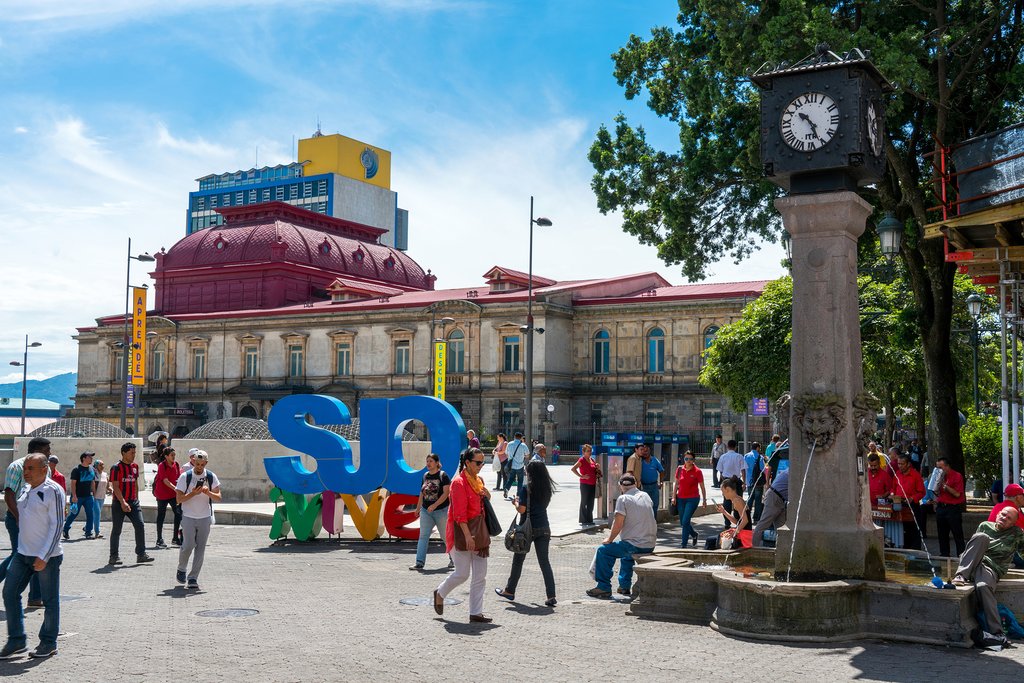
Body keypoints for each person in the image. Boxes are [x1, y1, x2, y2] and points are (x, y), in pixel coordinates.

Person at [0, 453, 64, 659]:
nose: (25, 472)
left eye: (30, 469)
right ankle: (17, 640)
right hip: (23, 554)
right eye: (25, 468)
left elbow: (57, 526)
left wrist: (44, 556)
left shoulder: (53, 490)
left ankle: (48, 642)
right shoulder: (26, 488)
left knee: (49, 600)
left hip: (47, 557)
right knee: (9, 593)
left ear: (44, 470)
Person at [433, 448, 492, 623]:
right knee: (462, 573)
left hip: (479, 532)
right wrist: (467, 536)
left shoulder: (479, 481)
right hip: (461, 532)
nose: (481, 466)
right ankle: (440, 593)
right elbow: (459, 514)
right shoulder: (458, 483)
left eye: (483, 462)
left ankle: (476, 612)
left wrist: (487, 495)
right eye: (478, 462)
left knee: (480, 576)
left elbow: (481, 507)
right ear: (467, 463)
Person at [951, 507, 1024, 649]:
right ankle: (961, 575)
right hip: (974, 562)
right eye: (1003, 514)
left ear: (1013, 523)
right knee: (981, 537)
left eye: (1009, 518)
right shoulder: (985, 526)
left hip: (991, 568)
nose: (1004, 518)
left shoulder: (1016, 533)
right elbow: (973, 547)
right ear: (997, 514)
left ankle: (997, 633)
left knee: (983, 586)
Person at [494, 460, 558, 607]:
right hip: (544, 526)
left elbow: (522, 509)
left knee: (518, 560)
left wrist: (515, 502)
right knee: (544, 562)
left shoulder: (526, 488)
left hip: (526, 530)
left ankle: (509, 590)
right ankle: (551, 595)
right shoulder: (547, 488)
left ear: (530, 473)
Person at [586, 474, 657, 598]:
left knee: (603, 551)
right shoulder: (645, 496)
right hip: (650, 544)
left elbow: (618, 523)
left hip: (635, 545)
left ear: (620, 486)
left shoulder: (623, 499)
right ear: (636, 484)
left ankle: (603, 587)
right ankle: (624, 586)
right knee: (626, 553)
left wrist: (609, 539)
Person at [1, 438, 46, 607]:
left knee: (36, 555)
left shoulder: (44, 468)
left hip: (36, 520)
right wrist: (20, 519)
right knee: (19, 555)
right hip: (17, 519)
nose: (49, 453)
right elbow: (9, 495)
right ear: (36, 451)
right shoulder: (17, 467)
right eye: (46, 450)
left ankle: (35, 597)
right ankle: (24, 594)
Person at [175, 449, 221, 590]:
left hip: (204, 517)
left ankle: (193, 578)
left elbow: (218, 497)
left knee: (200, 549)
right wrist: (193, 493)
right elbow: (178, 499)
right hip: (188, 516)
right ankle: (181, 568)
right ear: (193, 461)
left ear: (206, 463)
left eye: (202, 464)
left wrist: (208, 492)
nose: (199, 467)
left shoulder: (211, 477)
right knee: (188, 545)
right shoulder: (185, 476)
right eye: (197, 464)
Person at [109, 442, 154, 566]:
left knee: (140, 525)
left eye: (135, 453)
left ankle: (141, 554)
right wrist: (123, 502)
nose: (134, 455)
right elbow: (115, 487)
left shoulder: (135, 466)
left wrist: (137, 500)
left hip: (133, 502)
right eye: (131, 453)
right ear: (124, 453)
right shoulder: (116, 468)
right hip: (119, 502)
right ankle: (113, 556)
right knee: (117, 529)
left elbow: (135, 484)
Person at [411, 453, 450, 570]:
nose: (428, 463)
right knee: (423, 536)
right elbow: (422, 493)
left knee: (445, 536)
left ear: (437, 463)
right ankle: (419, 562)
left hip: (441, 511)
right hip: (426, 511)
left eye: (431, 461)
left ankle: (454, 559)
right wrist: (418, 508)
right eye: (427, 461)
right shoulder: (425, 476)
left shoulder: (443, 475)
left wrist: (434, 505)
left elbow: (446, 493)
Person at [891, 453, 926, 550]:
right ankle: (903, 550)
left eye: (902, 464)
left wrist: (912, 498)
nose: (899, 466)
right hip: (899, 506)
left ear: (908, 464)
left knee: (914, 531)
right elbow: (893, 489)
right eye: (898, 464)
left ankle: (915, 552)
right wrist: (892, 494)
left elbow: (922, 492)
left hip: (912, 506)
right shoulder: (897, 474)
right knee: (902, 531)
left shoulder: (916, 475)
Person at [934, 456, 966, 557]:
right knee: (942, 534)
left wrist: (946, 487)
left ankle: (961, 556)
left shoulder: (957, 476)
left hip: (953, 508)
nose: (938, 470)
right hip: (941, 507)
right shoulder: (938, 476)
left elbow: (957, 494)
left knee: (957, 533)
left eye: (940, 467)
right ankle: (944, 554)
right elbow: (936, 492)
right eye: (937, 467)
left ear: (947, 466)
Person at [674, 451, 706, 548]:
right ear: (684, 459)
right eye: (686, 459)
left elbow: (702, 487)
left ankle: (683, 545)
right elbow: (676, 484)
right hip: (680, 499)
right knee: (683, 522)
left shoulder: (697, 471)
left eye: (690, 459)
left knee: (685, 521)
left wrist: (704, 500)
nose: (688, 461)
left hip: (693, 499)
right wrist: (673, 497)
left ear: (693, 460)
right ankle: (694, 534)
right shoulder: (680, 469)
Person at [63, 452, 97, 540]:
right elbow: (73, 484)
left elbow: (92, 482)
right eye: (89, 457)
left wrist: (94, 493)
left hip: (88, 496)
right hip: (77, 497)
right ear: (84, 458)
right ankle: (65, 529)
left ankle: (88, 532)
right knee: (74, 514)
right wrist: (74, 496)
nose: (91, 458)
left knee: (90, 514)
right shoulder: (76, 470)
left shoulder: (92, 469)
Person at [752, 468, 789, 547]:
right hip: (774, 497)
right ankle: (753, 546)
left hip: (779, 498)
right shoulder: (793, 472)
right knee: (763, 524)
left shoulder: (790, 471)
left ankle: (782, 549)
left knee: (781, 527)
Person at [154, 447, 183, 548]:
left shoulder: (177, 465)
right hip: (162, 494)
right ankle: (159, 539)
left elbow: (179, 478)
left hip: (173, 494)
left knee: (178, 514)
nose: (174, 457)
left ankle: (175, 538)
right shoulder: (162, 465)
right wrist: (176, 489)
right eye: (172, 455)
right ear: (166, 456)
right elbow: (165, 480)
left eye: (174, 455)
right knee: (161, 515)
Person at [715, 440, 745, 528]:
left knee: (726, 502)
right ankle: (738, 521)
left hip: (726, 481)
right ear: (736, 447)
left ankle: (727, 522)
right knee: (738, 501)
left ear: (727, 447)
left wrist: (723, 481)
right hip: (736, 481)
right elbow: (743, 470)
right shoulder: (739, 456)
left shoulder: (723, 457)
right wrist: (744, 482)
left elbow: (720, 471)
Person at [571, 444, 601, 526]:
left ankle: (589, 519)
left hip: (593, 483)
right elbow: (573, 469)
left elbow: (594, 471)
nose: (590, 452)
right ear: (583, 452)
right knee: (584, 501)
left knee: (591, 502)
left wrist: (597, 467)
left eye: (590, 451)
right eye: (588, 451)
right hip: (585, 484)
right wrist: (581, 476)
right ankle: (583, 520)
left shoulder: (592, 460)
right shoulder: (582, 460)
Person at [717, 476, 751, 548]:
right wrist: (724, 511)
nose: (722, 494)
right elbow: (738, 522)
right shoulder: (737, 499)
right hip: (744, 533)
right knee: (716, 539)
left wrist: (734, 533)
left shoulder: (737, 501)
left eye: (723, 491)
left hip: (744, 536)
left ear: (728, 489)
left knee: (712, 541)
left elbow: (745, 521)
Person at [503, 432, 529, 500]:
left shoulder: (509, 444)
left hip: (511, 465)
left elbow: (506, 453)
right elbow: (527, 455)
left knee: (511, 479)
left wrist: (510, 458)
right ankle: (518, 495)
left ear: (514, 437)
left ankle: (506, 489)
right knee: (520, 480)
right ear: (521, 438)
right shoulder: (523, 445)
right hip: (520, 465)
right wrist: (523, 457)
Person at [744, 442, 765, 523]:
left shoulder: (746, 456)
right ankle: (756, 518)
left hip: (750, 481)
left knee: (750, 499)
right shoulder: (760, 457)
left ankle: (747, 517)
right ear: (757, 448)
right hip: (758, 482)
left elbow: (744, 468)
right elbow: (763, 469)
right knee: (758, 500)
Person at [91, 459, 108, 539]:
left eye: (103, 464)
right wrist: (93, 494)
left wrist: (111, 490)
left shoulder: (105, 474)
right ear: (96, 466)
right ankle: (97, 532)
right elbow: (92, 485)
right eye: (100, 465)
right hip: (95, 497)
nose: (102, 466)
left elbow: (108, 486)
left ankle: (87, 527)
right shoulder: (94, 475)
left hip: (102, 497)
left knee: (95, 514)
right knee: (97, 514)